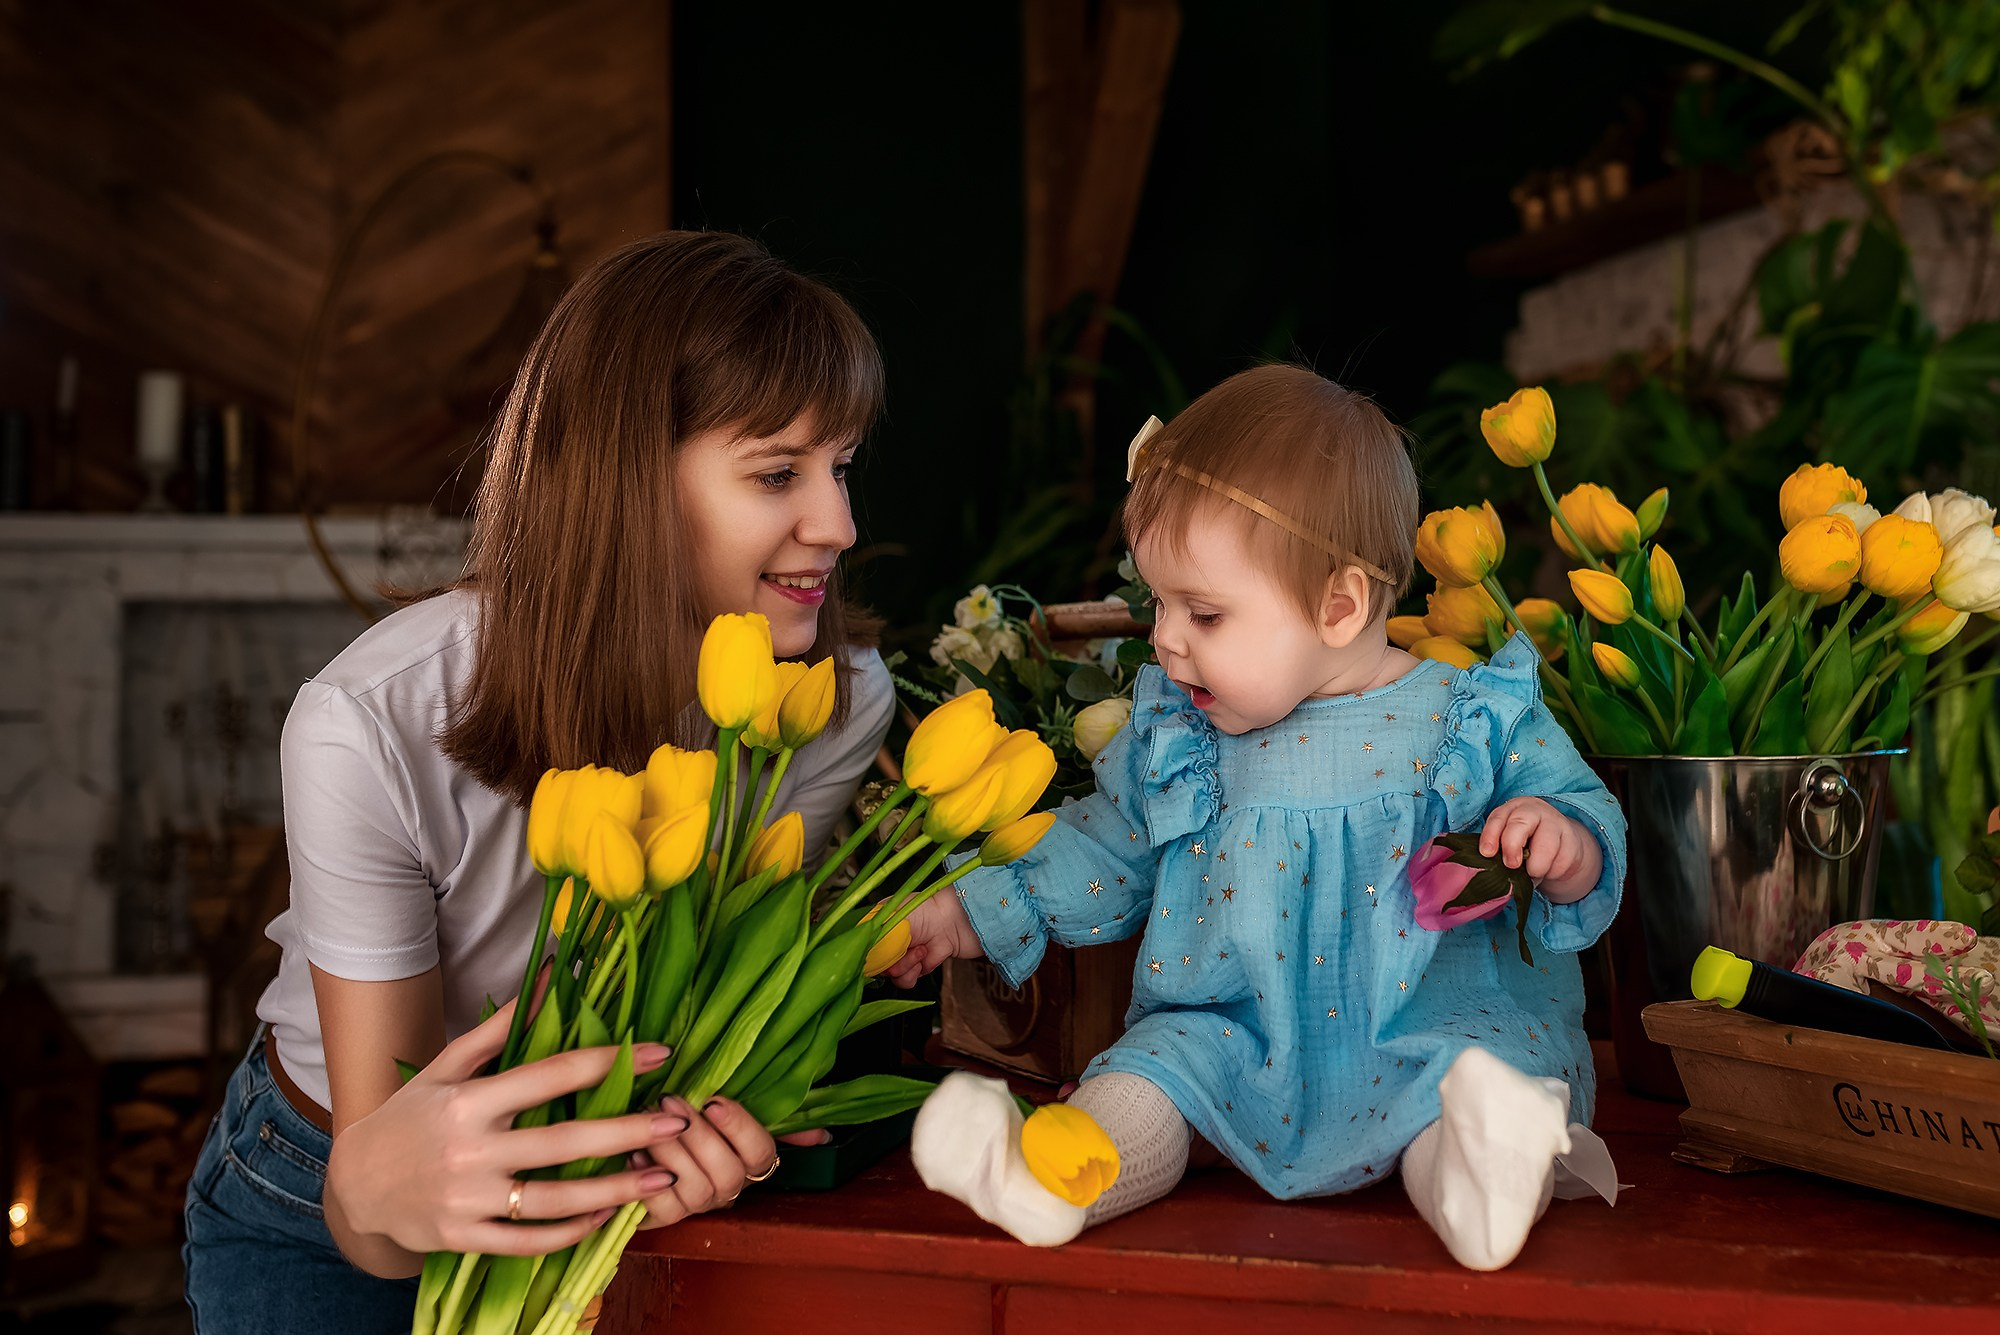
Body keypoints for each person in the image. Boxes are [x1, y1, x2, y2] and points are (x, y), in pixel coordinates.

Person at [183, 231, 897, 1333]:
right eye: (775, 473)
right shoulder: (371, 725)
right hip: (323, 1178)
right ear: (623, 477)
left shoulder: (829, 706)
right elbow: (371, 1210)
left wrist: (697, 1133)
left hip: (591, 1171)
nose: (838, 526)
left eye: (839, 466)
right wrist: (382, 1186)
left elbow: (705, 990)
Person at [891, 365, 1626, 1270]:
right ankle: (1052, 1177)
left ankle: (1480, 1178)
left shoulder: (1468, 718)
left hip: (1432, 1026)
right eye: (1161, 602)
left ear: (1340, 604)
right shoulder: (1186, 736)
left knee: (1475, 1079)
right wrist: (965, 910)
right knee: (1155, 1070)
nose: (1165, 637)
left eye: (1203, 611)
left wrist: (1561, 841)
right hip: (1236, 1034)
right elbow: (1100, 847)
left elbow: (1585, 812)